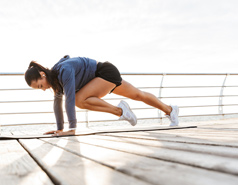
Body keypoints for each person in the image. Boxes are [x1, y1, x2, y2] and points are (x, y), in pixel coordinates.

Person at [25, 55, 179, 136]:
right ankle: (171, 110)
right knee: (138, 94)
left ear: (42, 74)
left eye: (40, 85)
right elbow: (57, 104)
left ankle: (121, 111)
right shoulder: (55, 80)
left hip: (104, 72)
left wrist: (71, 128)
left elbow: (70, 99)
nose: (43, 89)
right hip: (99, 78)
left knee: (79, 100)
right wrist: (59, 129)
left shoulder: (63, 71)